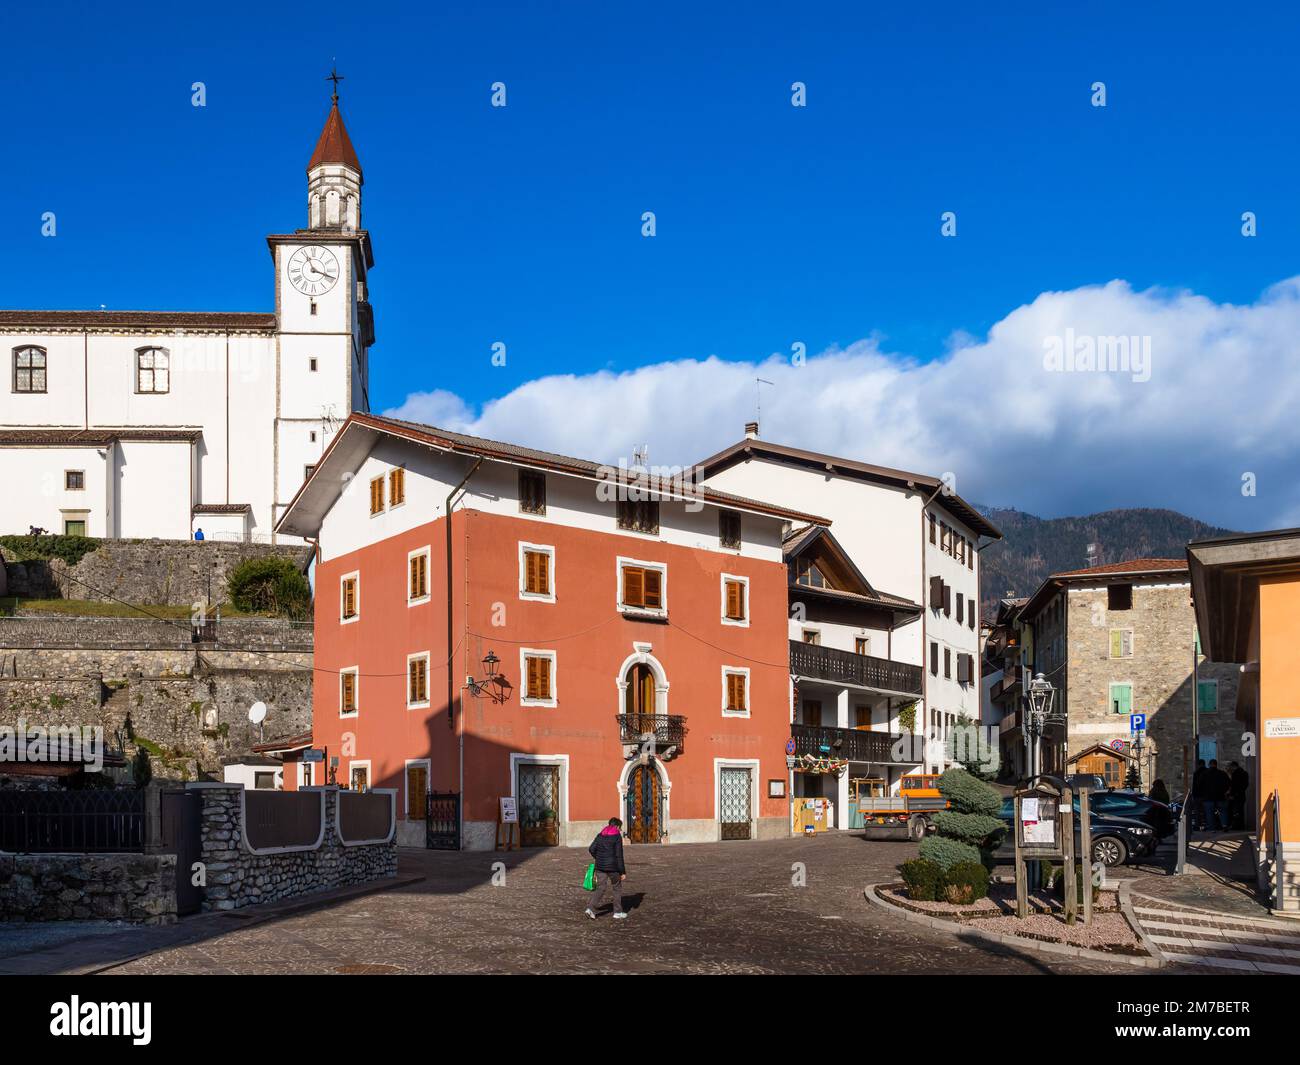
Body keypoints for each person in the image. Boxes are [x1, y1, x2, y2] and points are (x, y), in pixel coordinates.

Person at [585, 817, 627, 920]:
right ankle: (617, 912)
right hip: (614, 868)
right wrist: (622, 872)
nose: (620, 830)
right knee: (617, 888)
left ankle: (590, 909)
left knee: (600, 888)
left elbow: (591, 849)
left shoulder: (600, 835)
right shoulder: (617, 836)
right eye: (620, 827)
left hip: (600, 867)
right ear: (617, 826)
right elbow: (619, 855)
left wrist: (599, 858)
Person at [1203, 759, 1230, 831]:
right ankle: (1224, 825)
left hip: (1208, 797)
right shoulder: (1222, 773)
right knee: (1223, 811)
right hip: (1220, 796)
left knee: (1209, 813)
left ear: (1209, 764)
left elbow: (1200, 785)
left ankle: (1212, 828)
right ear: (1216, 764)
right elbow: (1228, 783)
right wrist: (1224, 791)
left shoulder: (1205, 774)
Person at [1227, 761, 1250, 831]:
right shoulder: (1245, 773)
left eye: (1231, 766)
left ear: (1234, 766)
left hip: (1235, 796)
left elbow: (1233, 785)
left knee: (1235, 811)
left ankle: (1236, 826)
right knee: (1240, 811)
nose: (1230, 768)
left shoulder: (1235, 774)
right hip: (1242, 795)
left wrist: (1232, 794)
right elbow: (1246, 785)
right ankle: (1241, 825)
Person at [1190, 760, 1207, 830]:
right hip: (1206, 795)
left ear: (1198, 765)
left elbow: (1194, 785)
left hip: (1197, 795)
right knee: (1205, 811)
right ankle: (1206, 825)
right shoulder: (1207, 772)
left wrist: (1193, 795)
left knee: (1197, 812)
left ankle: (1197, 825)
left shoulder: (1196, 773)